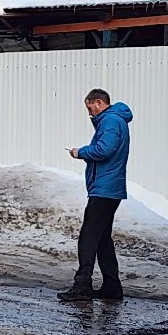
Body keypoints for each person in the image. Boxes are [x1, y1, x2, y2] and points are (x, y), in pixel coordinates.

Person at [59, 89, 133, 302]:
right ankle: (112, 285)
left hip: (105, 188)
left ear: (99, 102)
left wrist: (80, 152)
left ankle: (82, 285)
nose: (89, 113)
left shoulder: (110, 121)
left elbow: (103, 150)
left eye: (90, 108)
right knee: (102, 239)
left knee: (88, 237)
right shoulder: (116, 120)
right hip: (110, 187)